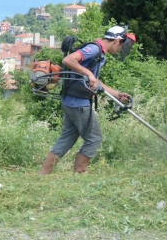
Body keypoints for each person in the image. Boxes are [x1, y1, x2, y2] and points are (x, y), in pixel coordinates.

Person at [39, 26, 134, 175]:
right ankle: (80, 173)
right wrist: (89, 74)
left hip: (70, 101)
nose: (119, 50)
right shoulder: (94, 49)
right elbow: (68, 60)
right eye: (121, 45)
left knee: (68, 137)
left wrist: (117, 94)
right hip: (78, 103)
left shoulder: (99, 54)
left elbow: (95, 82)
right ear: (117, 41)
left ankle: (44, 173)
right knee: (94, 138)